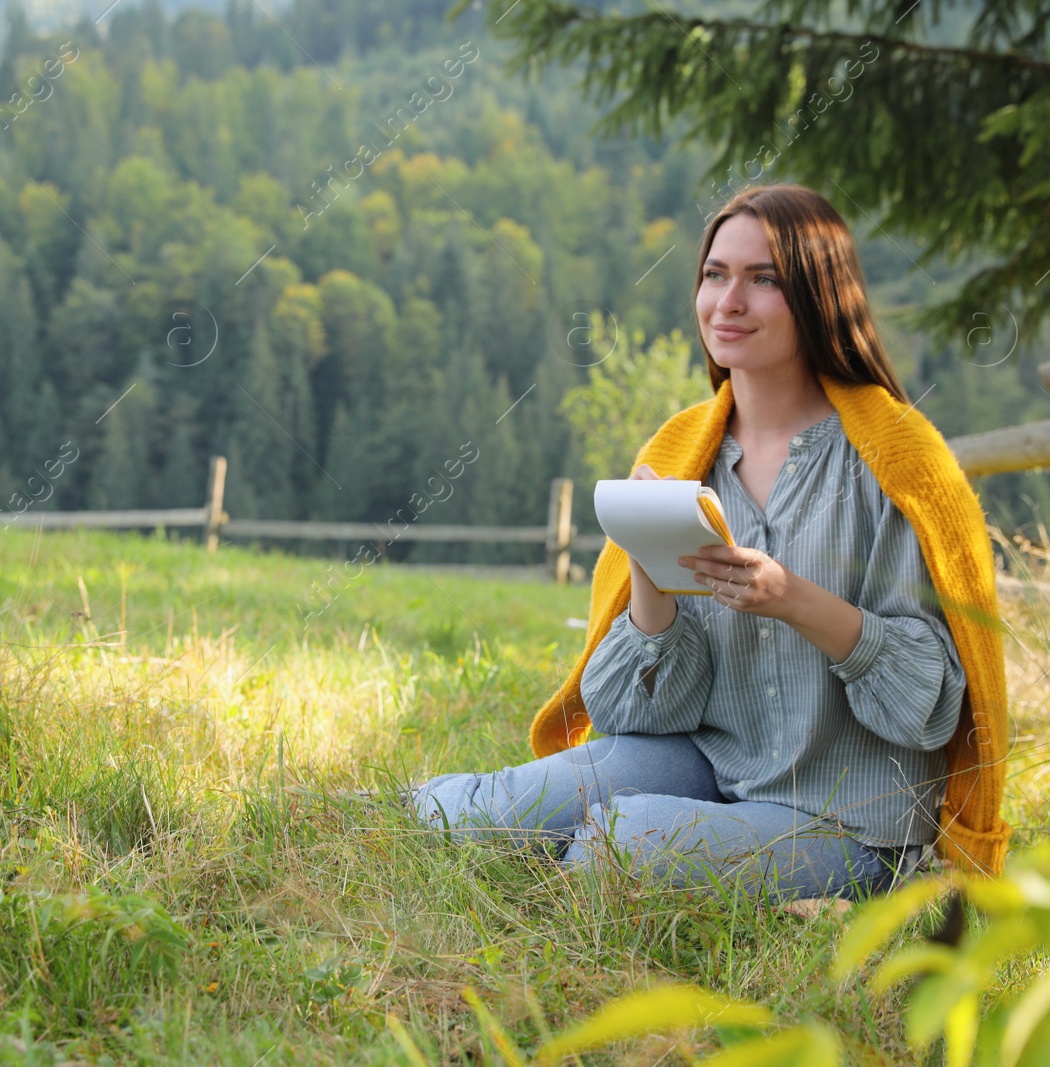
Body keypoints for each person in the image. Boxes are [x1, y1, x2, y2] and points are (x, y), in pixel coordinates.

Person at [412, 184, 1011, 902]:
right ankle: (377, 811)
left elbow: (931, 708)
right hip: (706, 760)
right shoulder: (680, 452)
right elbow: (636, 716)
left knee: (621, 844)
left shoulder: (896, 462)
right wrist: (648, 568)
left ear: (820, 298)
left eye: (764, 280)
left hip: (849, 818)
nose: (728, 301)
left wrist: (792, 599)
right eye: (714, 274)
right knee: (493, 811)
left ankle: (612, 851)